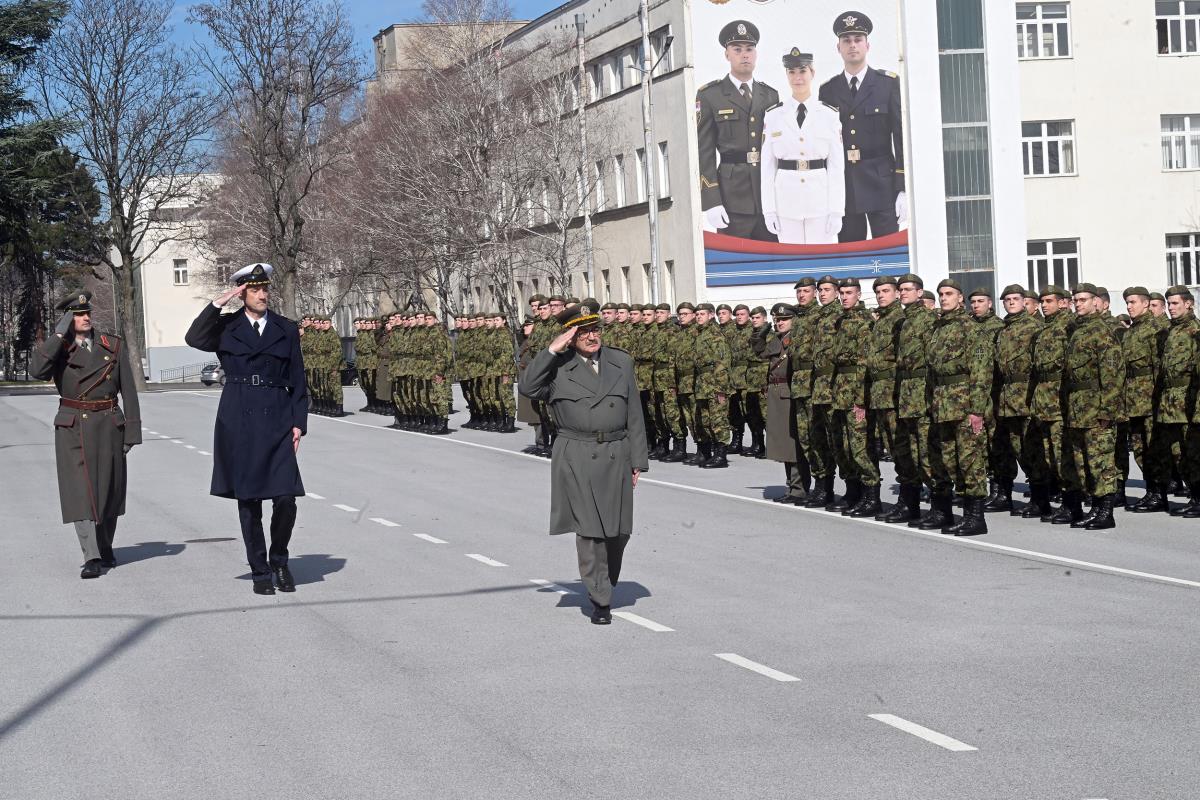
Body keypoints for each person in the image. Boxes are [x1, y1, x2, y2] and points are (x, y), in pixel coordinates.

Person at [519, 305, 649, 625]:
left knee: (619, 530)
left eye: (595, 329)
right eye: (583, 332)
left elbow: (634, 413)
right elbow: (528, 387)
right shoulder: (557, 366)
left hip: (617, 451)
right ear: (570, 336)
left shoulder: (620, 362)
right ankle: (600, 596)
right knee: (590, 530)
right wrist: (551, 350)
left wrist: (638, 460)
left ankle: (605, 579)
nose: (592, 336)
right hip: (577, 454)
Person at [184, 263, 308, 596]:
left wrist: (299, 423)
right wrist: (218, 303)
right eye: (254, 290)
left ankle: (279, 559)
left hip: (277, 417)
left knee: (286, 497)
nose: (262, 294)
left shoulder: (285, 328)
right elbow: (194, 338)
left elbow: (298, 378)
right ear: (242, 294)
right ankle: (260, 571)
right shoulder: (227, 327)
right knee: (249, 500)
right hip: (239, 417)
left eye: (265, 288)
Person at [31, 290, 142, 579]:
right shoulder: (60, 348)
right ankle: (91, 555)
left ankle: (105, 546)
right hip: (73, 427)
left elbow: (129, 391)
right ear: (68, 319)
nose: (85, 318)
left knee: (109, 490)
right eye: (78, 314)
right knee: (80, 491)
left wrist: (132, 431)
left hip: (108, 423)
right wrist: (58, 335)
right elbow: (37, 370)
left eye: (86, 313)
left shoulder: (112, 345)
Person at [818, 11, 906, 242]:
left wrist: (903, 187)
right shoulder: (828, 90)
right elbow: (824, 143)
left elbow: (900, 137)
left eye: (858, 39)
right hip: (846, 186)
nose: (852, 45)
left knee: (887, 253)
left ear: (868, 45)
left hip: (882, 184)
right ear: (838, 47)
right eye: (846, 40)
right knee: (850, 255)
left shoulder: (888, 84)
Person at [696, 20, 780, 241]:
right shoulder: (710, 95)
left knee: (773, 261)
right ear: (727, 54)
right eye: (737, 49)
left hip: (768, 198)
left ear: (756, 54)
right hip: (731, 199)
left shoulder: (770, 95)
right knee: (735, 261)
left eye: (749, 49)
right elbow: (704, 152)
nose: (744, 55)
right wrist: (712, 201)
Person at [924, 279, 992, 536]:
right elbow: (932, 372)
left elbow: (981, 372)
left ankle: (976, 518)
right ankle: (963, 513)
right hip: (943, 404)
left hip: (964, 405)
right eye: (941, 294)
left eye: (949, 294)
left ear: (960, 298)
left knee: (970, 461)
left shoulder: (971, 328)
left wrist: (977, 410)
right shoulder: (938, 329)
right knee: (951, 461)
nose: (944, 298)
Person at [761, 48, 845, 244]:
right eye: (791, 72)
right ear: (786, 74)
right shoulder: (773, 116)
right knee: (791, 260)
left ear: (812, 73)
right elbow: (767, 167)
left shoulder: (829, 115)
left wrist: (836, 211)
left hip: (820, 203)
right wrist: (769, 210)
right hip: (785, 204)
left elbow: (836, 166)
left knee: (822, 259)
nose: (797, 77)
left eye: (802, 71)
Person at [1059, 284, 1125, 529]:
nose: (1078, 304)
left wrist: (1107, 411)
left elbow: (1113, 375)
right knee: (1083, 462)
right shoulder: (1077, 331)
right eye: (1076, 300)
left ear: (1096, 302)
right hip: (1078, 408)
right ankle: (1095, 509)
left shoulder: (1102, 332)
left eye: (1083, 299)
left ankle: (1106, 513)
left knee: (1101, 462)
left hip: (1096, 408)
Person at [989, 284, 1044, 515]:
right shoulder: (1002, 330)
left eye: (1015, 299)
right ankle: (1005, 495)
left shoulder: (1035, 327)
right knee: (1010, 448)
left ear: (1024, 302)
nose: (1011, 302)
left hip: (1025, 396)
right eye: (1007, 299)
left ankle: (1040, 499)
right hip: (1005, 398)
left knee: (1031, 449)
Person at [753, 303, 806, 502]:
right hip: (777, 393)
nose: (780, 323)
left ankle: (798, 488)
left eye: (784, 319)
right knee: (783, 444)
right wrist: (764, 329)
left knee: (791, 443)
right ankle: (792, 486)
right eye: (777, 319)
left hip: (789, 392)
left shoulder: (796, 339)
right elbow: (760, 352)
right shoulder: (778, 339)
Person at [1119, 287, 1162, 511]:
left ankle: (1159, 493)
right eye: (1127, 302)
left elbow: (1158, 367)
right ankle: (1150, 490)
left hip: (1149, 398)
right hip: (1133, 400)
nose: (1129, 306)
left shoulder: (1155, 329)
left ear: (1146, 304)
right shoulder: (1131, 332)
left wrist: (1158, 399)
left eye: (1133, 302)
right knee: (1139, 448)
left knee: (1154, 447)